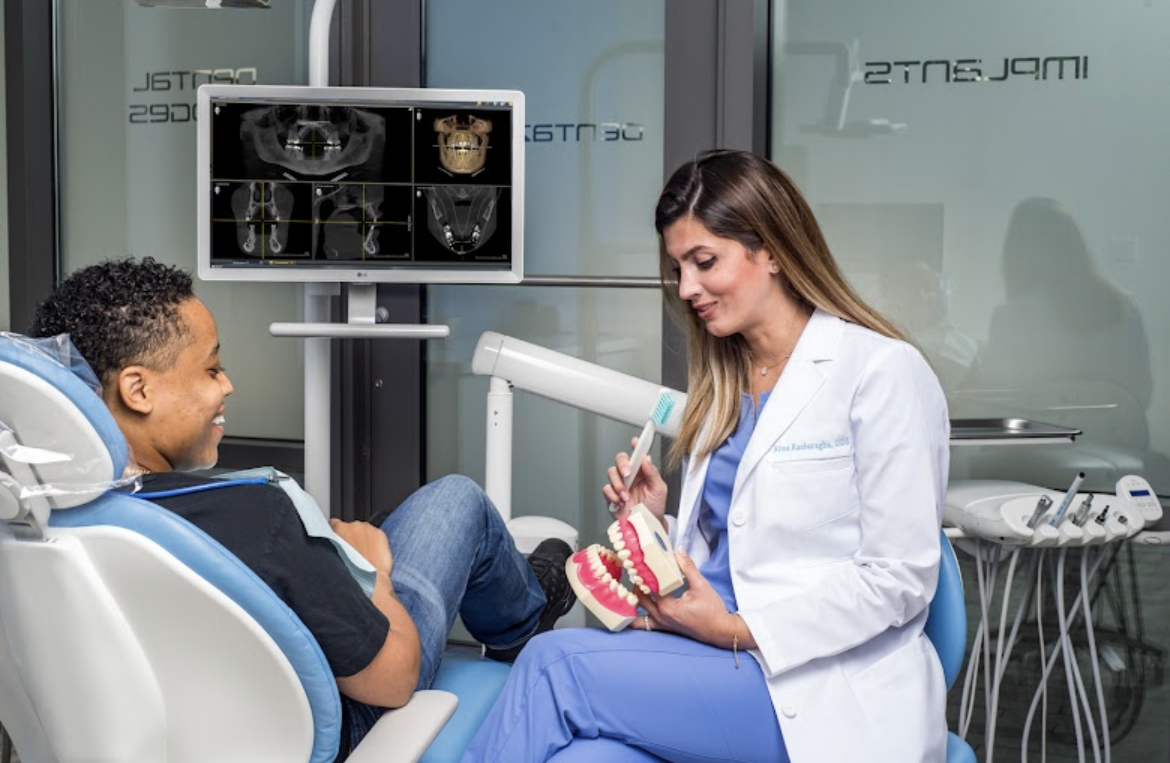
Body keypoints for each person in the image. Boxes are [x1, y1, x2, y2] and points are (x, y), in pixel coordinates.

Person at [462, 150, 951, 762]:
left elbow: (900, 579)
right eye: (678, 267)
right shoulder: (724, 384)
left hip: (804, 681)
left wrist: (737, 630)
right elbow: (734, 555)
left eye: (704, 262)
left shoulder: (880, 372)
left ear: (770, 249)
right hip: (710, 653)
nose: (686, 288)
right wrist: (657, 524)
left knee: (550, 665)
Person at [28, 257, 576, 761]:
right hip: (336, 726)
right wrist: (380, 580)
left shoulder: (47, 519)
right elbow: (393, 679)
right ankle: (523, 621)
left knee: (380, 521)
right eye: (211, 369)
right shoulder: (256, 516)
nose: (228, 385)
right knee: (454, 500)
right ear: (138, 390)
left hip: (179, 732)